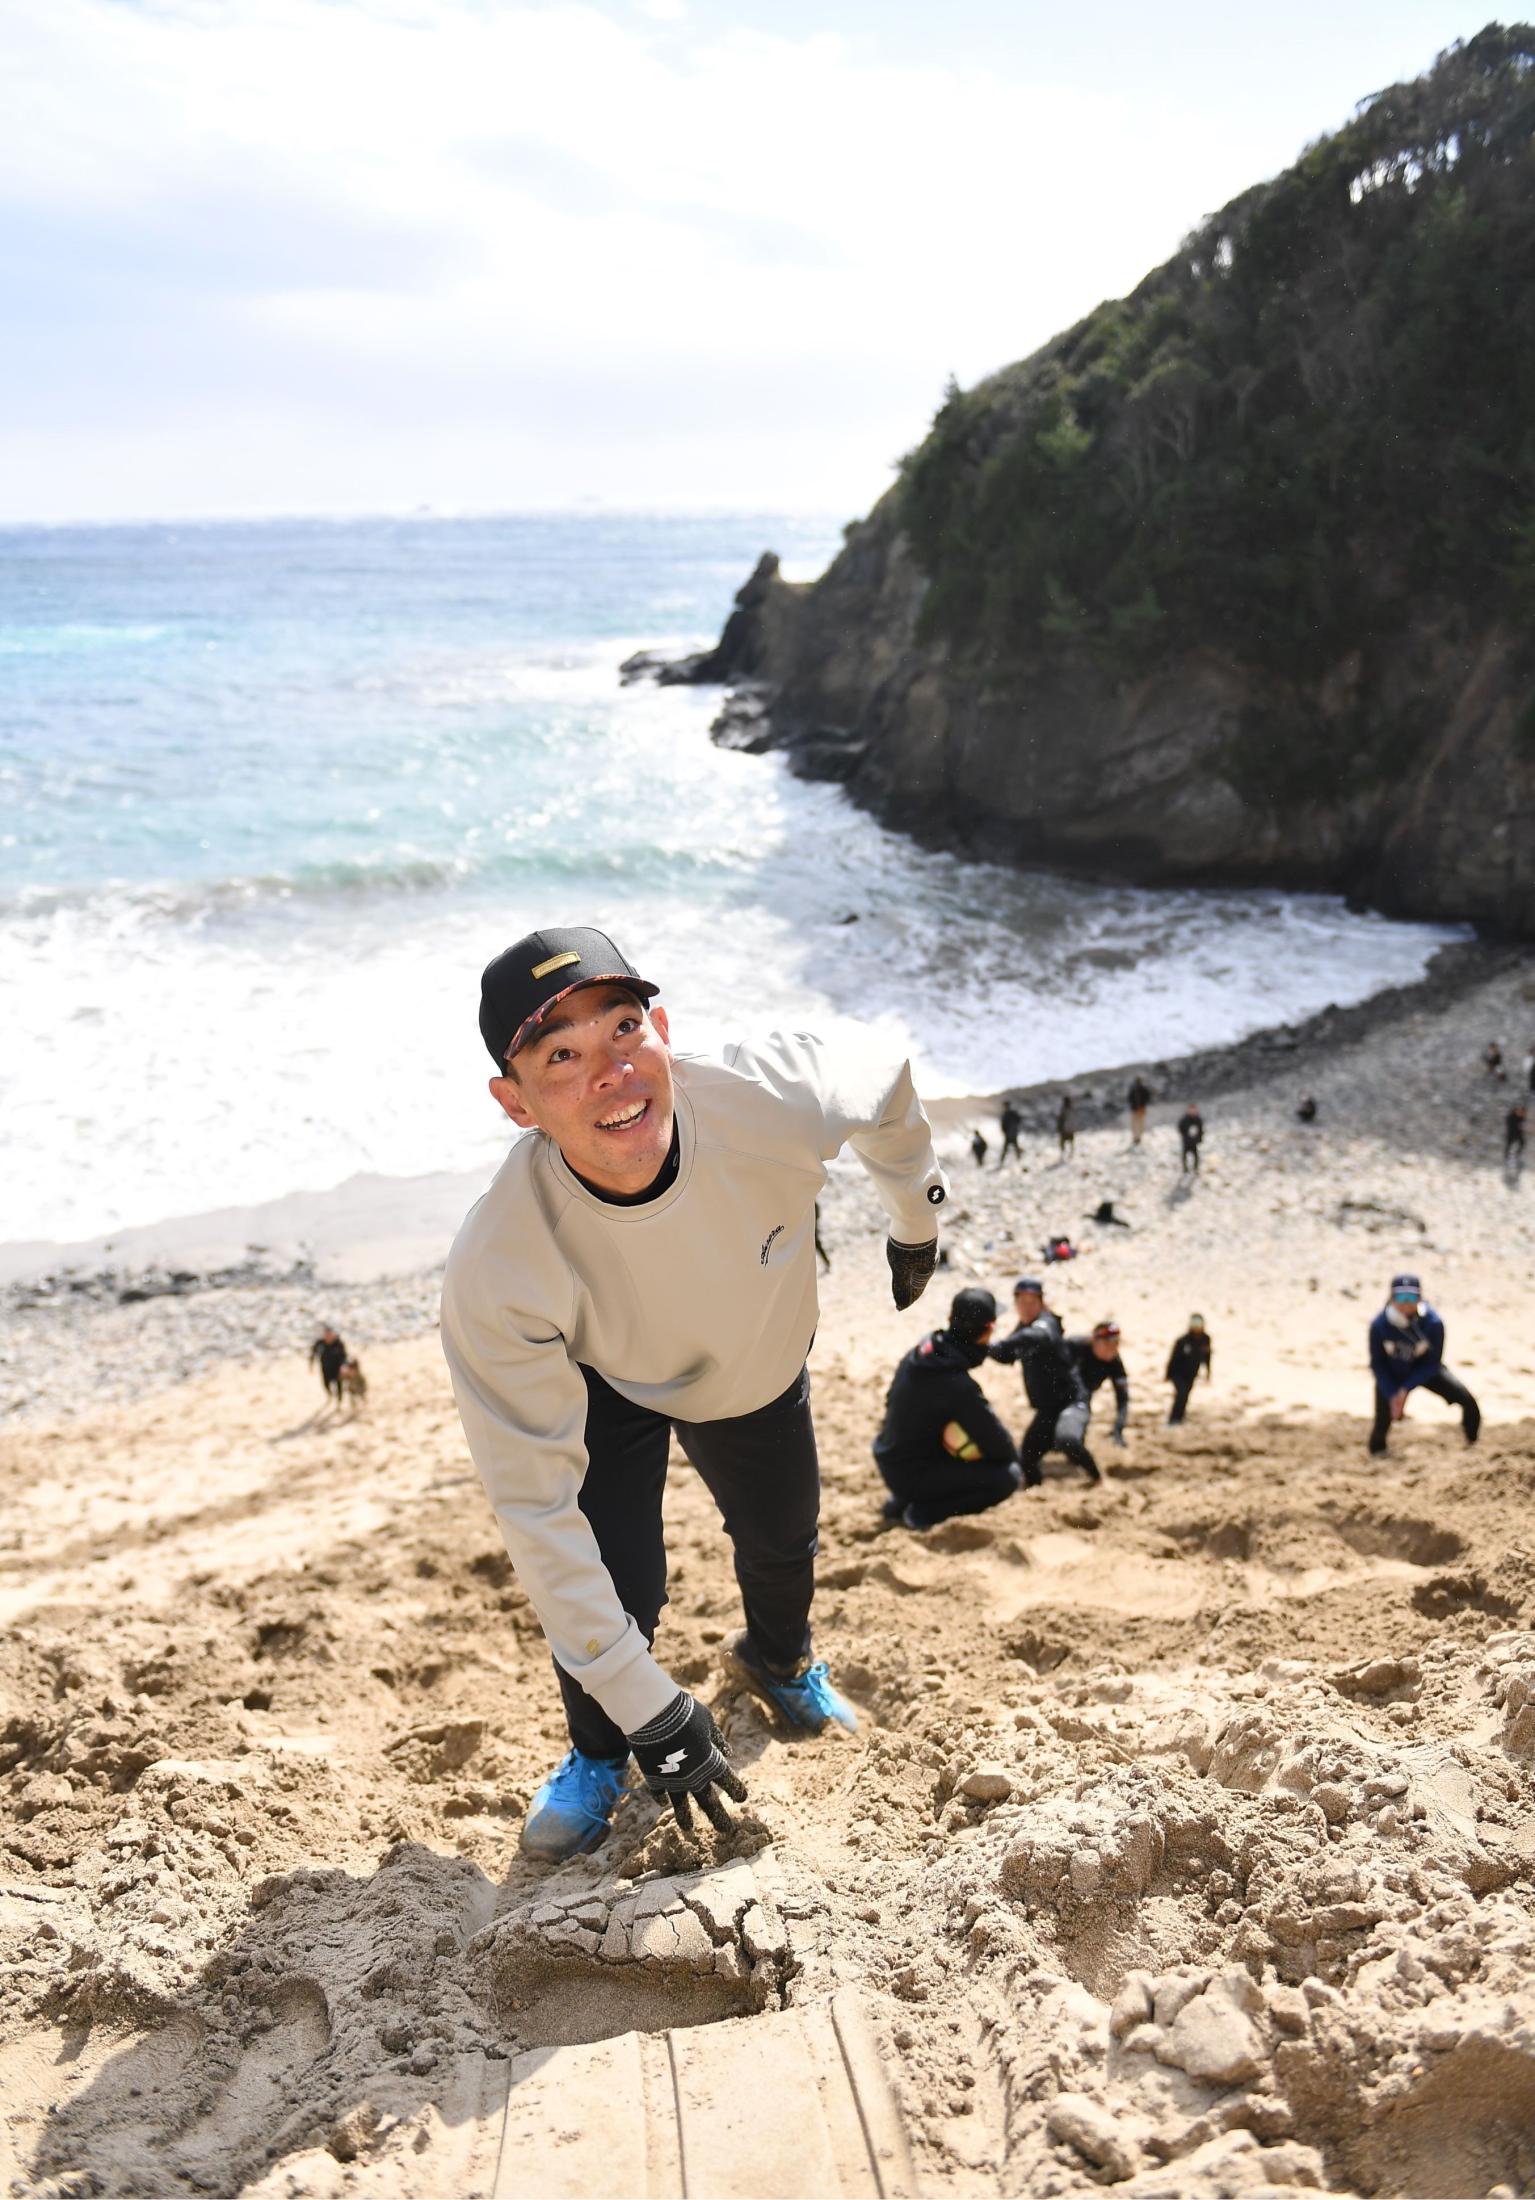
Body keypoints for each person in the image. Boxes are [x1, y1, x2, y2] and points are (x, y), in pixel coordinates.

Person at [440, 924, 947, 1862]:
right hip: (602, 1370)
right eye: (561, 1056)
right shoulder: (499, 1263)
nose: (611, 1072)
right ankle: (599, 1752)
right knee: (619, 1582)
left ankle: (777, 1663)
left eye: (623, 1028)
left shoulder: (770, 1095)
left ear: (663, 1029)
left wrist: (915, 1217)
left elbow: (884, 1078)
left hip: (748, 1359)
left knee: (782, 1537)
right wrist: (652, 1711)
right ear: (514, 1103)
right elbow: (536, 1513)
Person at [873, 1287, 1022, 1530]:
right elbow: (1000, 1446)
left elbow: (892, 1402)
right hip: (911, 1474)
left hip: (889, 1456)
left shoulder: (924, 1350)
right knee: (1008, 1476)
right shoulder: (957, 1384)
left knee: (939, 1436)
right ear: (989, 1329)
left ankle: (901, 1503)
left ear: (951, 1319)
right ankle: (923, 1514)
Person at [988, 1277, 1100, 1486]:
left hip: (1071, 1401)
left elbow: (1036, 1336)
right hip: (1048, 1408)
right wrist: (982, 1346)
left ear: (1041, 1303)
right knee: (1027, 1458)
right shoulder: (1022, 1328)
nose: (1027, 1307)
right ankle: (1035, 1488)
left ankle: (1097, 1478)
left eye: (1032, 1302)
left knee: (1068, 1440)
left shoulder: (1047, 1323)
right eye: (1022, 1302)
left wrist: (998, 1344)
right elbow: (1006, 1355)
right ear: (1015, 1304)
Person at [1367, 1273, 1480, 1457]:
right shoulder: (1379, 1325)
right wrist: (1392, 1393)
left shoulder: (1433, 1323)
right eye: (1400, 1297)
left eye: (1411, 1297)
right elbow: (1377, 1364)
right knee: (1382, 1418)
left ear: (1420, 1298)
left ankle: (1472, 1442)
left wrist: (1406, 1389)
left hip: (1424, 1371)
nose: (1406, 1303)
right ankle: (1378, 1452)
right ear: (1391, 1298)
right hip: (1391, 1373)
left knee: (1467, 1401)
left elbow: (1432, 1363)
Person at [1067, 1320, 1130, 1448]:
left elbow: (1123, 1399)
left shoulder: (1115, 1362)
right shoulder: (1074, 1346)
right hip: (1060, 1389)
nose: (1112, 1348)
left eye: (1116, 1343)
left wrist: (1118, 1429)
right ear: (1094, 1340)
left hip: (1085, 1394)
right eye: (1107, 1343)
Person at [1165, 1316, 1212, 1424]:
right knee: (1181, 1394)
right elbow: (1173, 1358)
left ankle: (1180, 1418)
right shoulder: (1183, 1340)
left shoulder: (1205, 1339)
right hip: (1178, 1373)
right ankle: (1173, 1419)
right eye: (1194, 1324)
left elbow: (1207, 1356)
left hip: (1192, 1373)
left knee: (1185, 1396)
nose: (1196, 1327)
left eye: (1198, 1324)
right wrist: (1167, 1374)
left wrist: (1208, 1373)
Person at [308, 1325, 347, 1408]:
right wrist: (311, 1366)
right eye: (326, 1335)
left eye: (330, 1335)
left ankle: (339, 1402)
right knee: (325, 1384)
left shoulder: (338, 1343)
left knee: (339, 1386)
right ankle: (330, 1395)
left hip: (337, 1368)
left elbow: (344, 1356)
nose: (328, 1337)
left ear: (333, 1335)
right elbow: (313, 1354)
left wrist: (343, 1366)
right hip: (325, 1368)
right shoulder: (319, 1343)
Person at [1177, 1104, 1204, 1173]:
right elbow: (1180, 1128)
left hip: (1194, 1142)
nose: (1192, 1111)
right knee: (1184, 1155)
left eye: (1193, 1110)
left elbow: (1201, 1130)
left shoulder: (1198, 1120)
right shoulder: (1184, 1119)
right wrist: (1184, 1136)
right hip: (1186, 1141)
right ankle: (1185, 1169)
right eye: (1191, 1110)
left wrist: (1200, 1139)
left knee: (1196, 1156)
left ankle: (1195, 1169)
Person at [1127, 1074, 1152, 1146]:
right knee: (1137, 1124)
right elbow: (1129, 1098)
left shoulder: (1142, 1089)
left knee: (1138, 1124)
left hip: (1139, 1109)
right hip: (1136, 1109)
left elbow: (1147, 1098)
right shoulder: (1134, 1089)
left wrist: (1141, 1105)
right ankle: (1137, 1137)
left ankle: (1138, 1137)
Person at [998, 1100, 1023, 1167]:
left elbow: (1018, 1120)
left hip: (1012, 1134)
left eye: (1005, 1106)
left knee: (1011, 1147)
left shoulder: (1010, 1114)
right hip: (1009, 1134)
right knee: (1010, 1148)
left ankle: (1018, 1159)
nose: (1005, 1107)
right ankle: (1002, 1161)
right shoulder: (1007, 1114)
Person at [1505, 1103, 1527, 1167]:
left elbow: (1521, 1125)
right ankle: (1507, 1159)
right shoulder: (1511, 1117)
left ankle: (1516, 1156)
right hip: (1512, 1134)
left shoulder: (1521, 1117)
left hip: (1517, 1134)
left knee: (1522, 1143)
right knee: (1509, 1145)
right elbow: (1512, 1125)